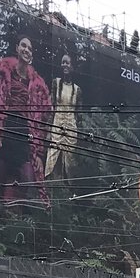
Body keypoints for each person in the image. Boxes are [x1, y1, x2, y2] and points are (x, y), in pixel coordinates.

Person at [0, 34, 52, 204]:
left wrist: (38, 153)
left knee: (29, 180)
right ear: (17, 48)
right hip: (5, 131)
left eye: (30, 49)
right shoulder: (2, 72)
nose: (27, 50)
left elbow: (43, 118)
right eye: (24, 46)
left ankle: (26, 222)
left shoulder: (38, 84)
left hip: (24, 135)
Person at [44, 51, 81, 183]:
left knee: (70, 160)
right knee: (53, 154)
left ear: (72, 67)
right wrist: (49, 130)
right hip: (57, 125)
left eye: (67, 62)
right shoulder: (56, 83)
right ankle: (50, 185)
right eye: (63, 62)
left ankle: (68, 190)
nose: (65, 65)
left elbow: (78, 114)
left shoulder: (77, 90)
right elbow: (52, 107)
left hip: (71, 128)